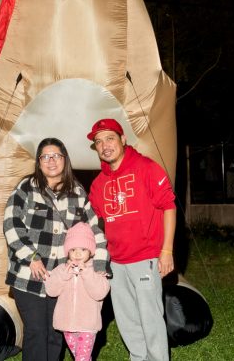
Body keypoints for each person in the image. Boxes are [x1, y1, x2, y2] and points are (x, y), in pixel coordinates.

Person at [4, 137, 109, 361]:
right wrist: (31, 257)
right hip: (27, 276)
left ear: (65, 160)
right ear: (39, 161)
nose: (51, 161)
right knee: (36, 332)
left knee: (55, 333)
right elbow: (11, 225)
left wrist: (99, 265)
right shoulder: (26, 187)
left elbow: (95, 231)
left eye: (56, 156)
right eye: (45, 156)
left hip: (62, 278)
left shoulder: (78, 192)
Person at [86, 118, 176, 361]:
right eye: (98, 141)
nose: (104, 145)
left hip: (145, 258)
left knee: (151, 319)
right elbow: (95, 223)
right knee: (127, 320)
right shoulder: (98, 184)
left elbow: (169, 206)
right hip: (115, 263)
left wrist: (166, 251)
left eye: (110, 138)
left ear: (123, 140)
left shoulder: (146, 167)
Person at [44, 222, 110, 361]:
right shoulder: (62, 269)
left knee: (82, 358)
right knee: (79, 356)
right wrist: (63, 275)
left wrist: (86, 274)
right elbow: (51, 290)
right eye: (73, 249)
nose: (78, 253)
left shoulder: (97, 270)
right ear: (68, 251)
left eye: (83, 249)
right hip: (66, 324)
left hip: (87, 325)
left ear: (91, 251)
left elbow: (100, 293)